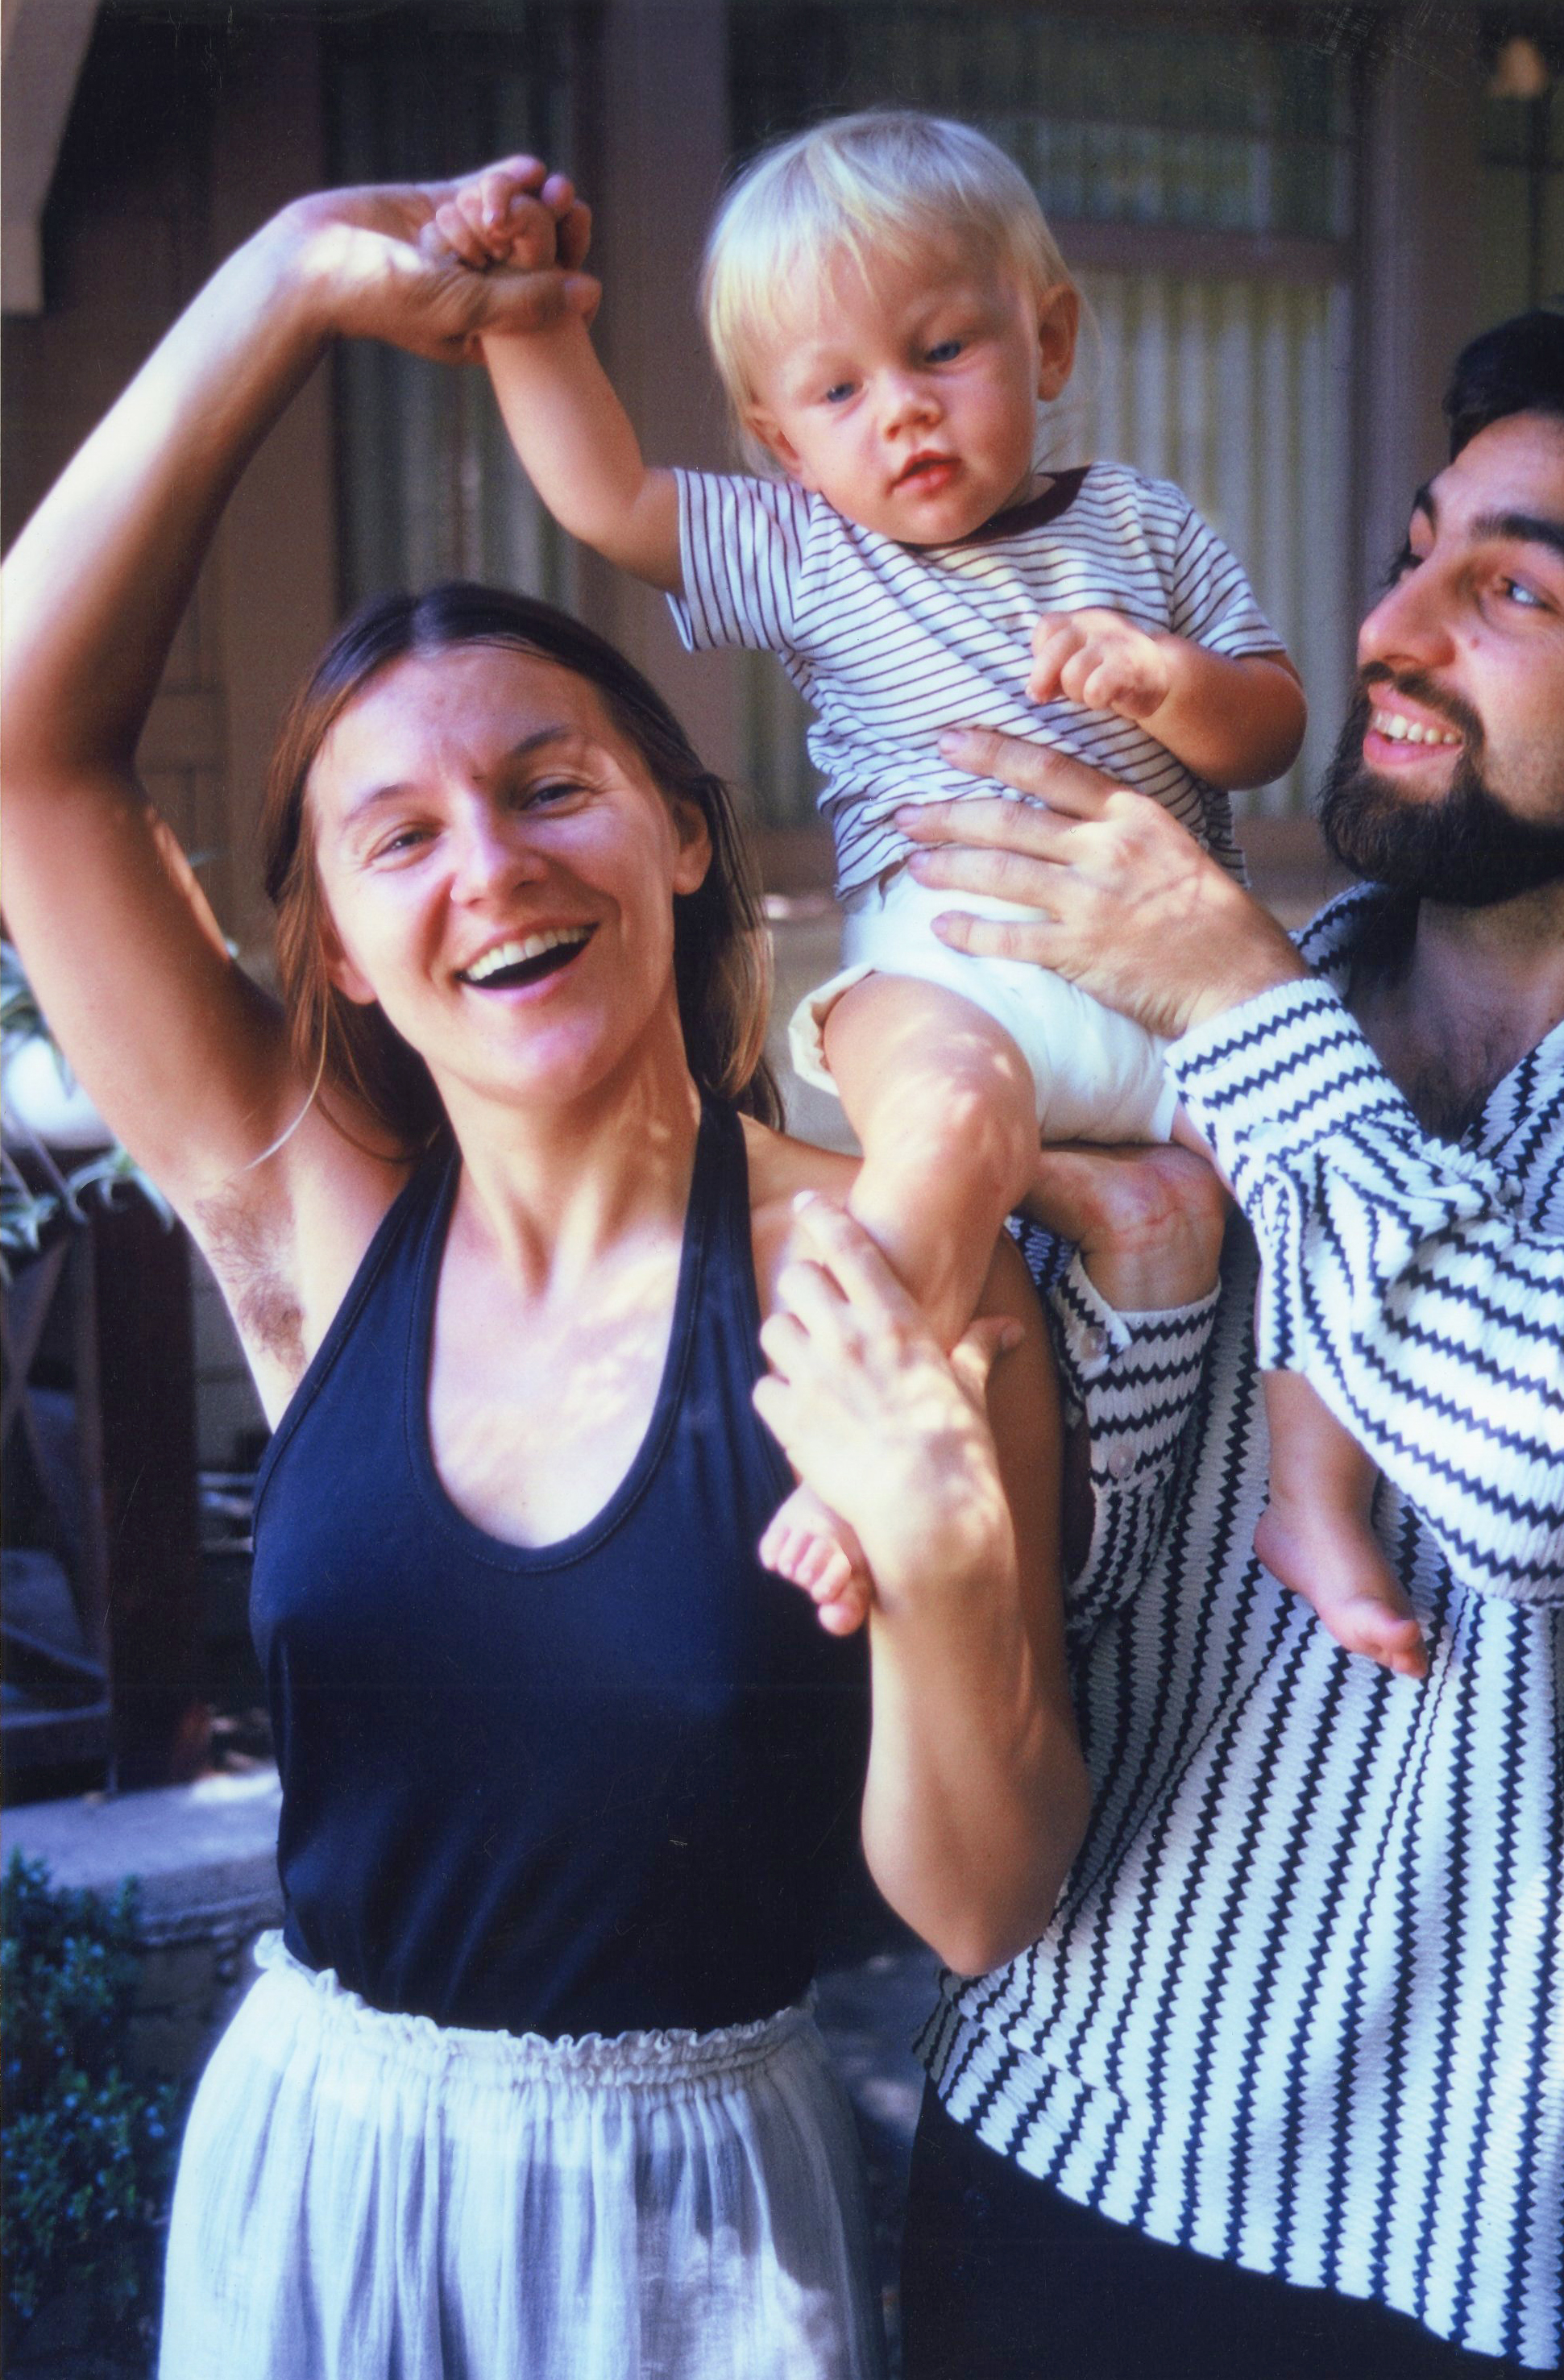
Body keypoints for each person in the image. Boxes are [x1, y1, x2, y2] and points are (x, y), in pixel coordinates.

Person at [0, 172, 1109, 2380]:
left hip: (684, 2235)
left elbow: (983, 1903)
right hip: (314, 2166)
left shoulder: (880, 1257)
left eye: (549, 785)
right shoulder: (314, 1222)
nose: (489, 865)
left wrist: (952, 1565)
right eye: (396, 836)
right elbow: (28, 748)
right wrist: (298, 281)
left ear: (682, 827)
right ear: (342, 941)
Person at [889, 297, 1564, 2375]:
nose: (1389, 626)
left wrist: (1239, 1019)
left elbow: (1555, 1462)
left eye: (1510, 583)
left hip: (1492, 2264)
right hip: (1051, 2163)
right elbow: (1069, 1572)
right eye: (1412, 550)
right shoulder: (1221, 1010)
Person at [427, 118, 1426, 1676]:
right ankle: (847, 1449)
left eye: (940, 348)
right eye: (838, 391)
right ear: (780, 439)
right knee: (945, 1129)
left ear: (1049, 338)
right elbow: (607, 495)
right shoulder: (816, 554)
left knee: (1313, 1175)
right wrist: (532, 319)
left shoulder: (1144, 525)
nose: (899, 413)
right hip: (949, 973)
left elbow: (1278, 722)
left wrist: (1172, 687)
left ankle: (1314, 1494)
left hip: (1174, 992)